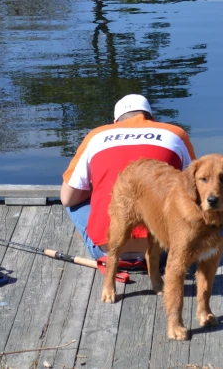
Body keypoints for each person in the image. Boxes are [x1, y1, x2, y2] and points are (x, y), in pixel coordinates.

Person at [60, 94, 196, 263]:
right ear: (153, 119)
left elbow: (67, 198)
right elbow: (195, 191)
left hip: (109, 253)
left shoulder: (96, 136)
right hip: (165, 252)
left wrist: (99, 191)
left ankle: (93, 234)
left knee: (73, 199)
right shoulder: (175, 133)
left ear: (115, 123)